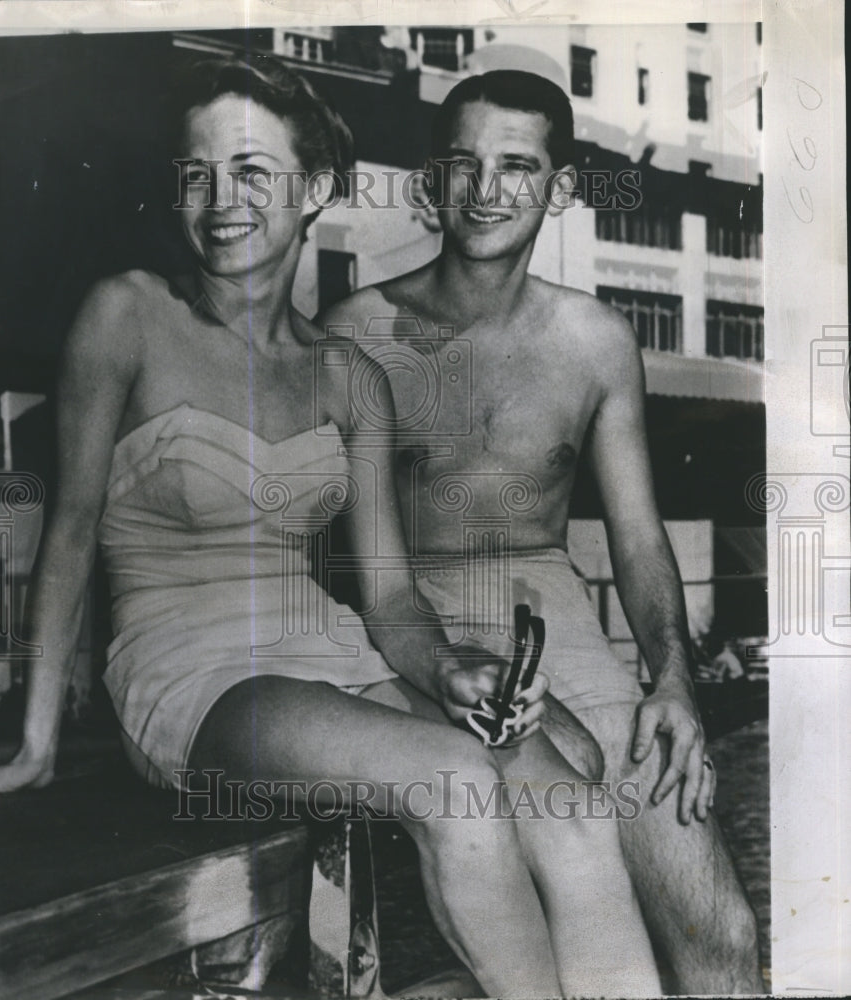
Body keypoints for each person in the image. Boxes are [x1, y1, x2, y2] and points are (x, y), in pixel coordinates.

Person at [0, 56, 660, 998]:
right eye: (196, 173)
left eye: (251, 171)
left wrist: (451, 665)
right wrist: (35, 742)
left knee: (571, 801)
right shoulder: (127, 313)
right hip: (197, 671)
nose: (219, 199)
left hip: (332, 650)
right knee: (458, 781)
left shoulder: (348, 372)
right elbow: (72, 532)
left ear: (316, 189)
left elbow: (385, 594)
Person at [320, 69, 763, 993]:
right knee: (572, 926)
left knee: (720, 934)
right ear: (436, 181)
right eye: (464, 165)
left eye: (517, 167)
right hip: (421, 630)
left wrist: (675, 685)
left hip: (566, 630)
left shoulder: (596, 339)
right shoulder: (357, 330)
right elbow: (345, 563)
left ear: (559, 189)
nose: (486, 190)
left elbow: (639, 541)